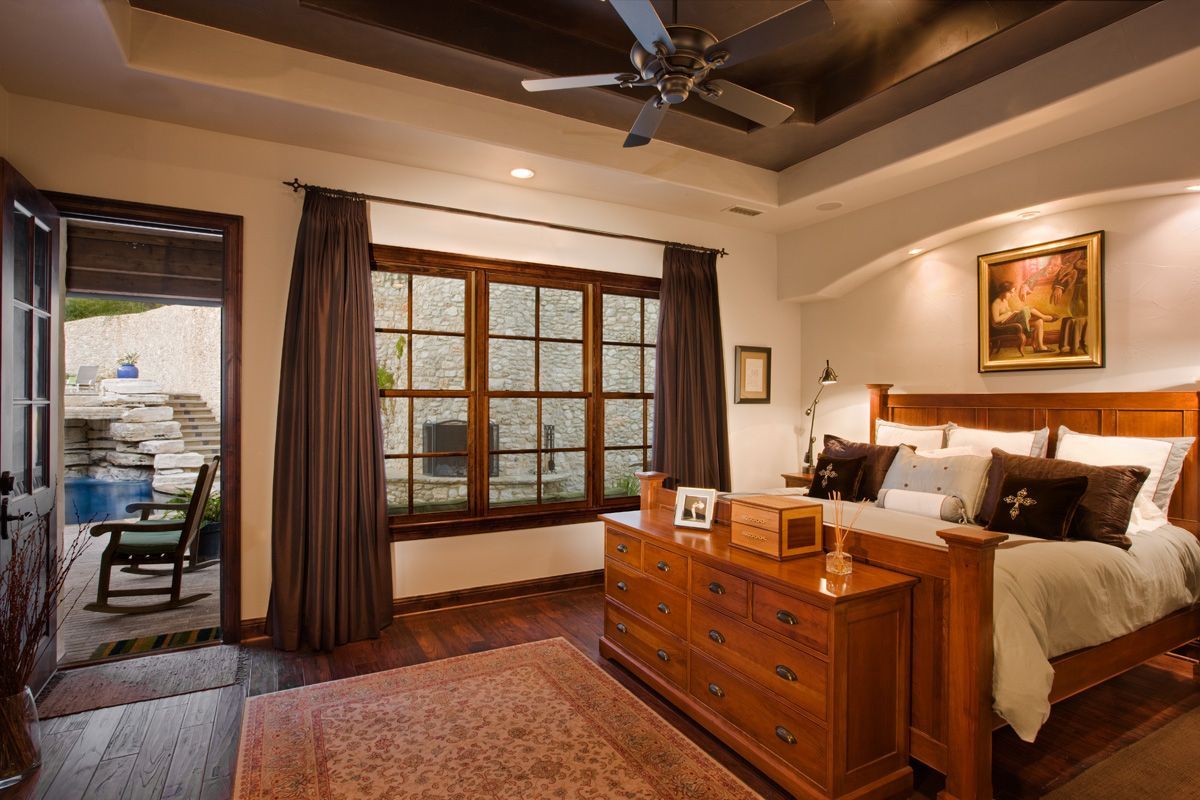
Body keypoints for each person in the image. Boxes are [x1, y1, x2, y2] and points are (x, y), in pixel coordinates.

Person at [991, 280, 1056, 354]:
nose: (1011, 295)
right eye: (1010, 292)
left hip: (1011, 322)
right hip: (1005, 328)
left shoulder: (1005, 301)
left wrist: (1012, 313)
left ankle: (1040, 346)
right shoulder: (996, 303)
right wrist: (1009, 313)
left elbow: (1008, 314)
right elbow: (996, 320)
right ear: (1003, 291)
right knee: (1027, 309)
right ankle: (1045, 317)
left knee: (1039, 322)